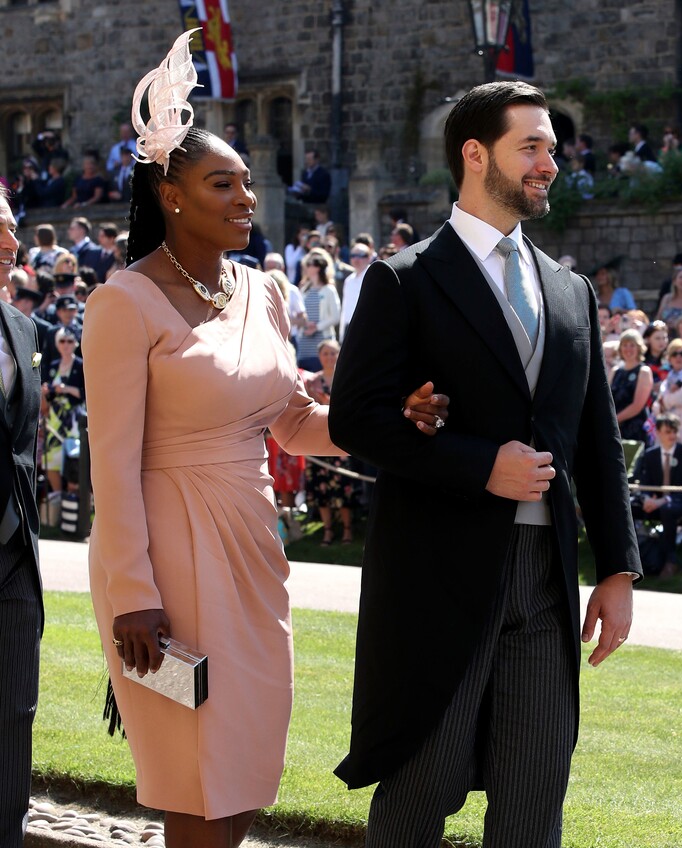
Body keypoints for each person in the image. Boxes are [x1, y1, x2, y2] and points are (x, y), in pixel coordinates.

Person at [80, 31, 449, 848]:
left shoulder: (265, 290)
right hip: (165, 565)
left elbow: (292, 423)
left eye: (249, 184)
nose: (246, 198)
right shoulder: (123, 304)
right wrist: (133, 592)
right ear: (172, 196)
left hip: (253, 546)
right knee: (198, 782)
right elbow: (110, 466)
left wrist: (389, 421)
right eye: (224, 184)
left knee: (247, 770)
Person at [328, 80, 640, 848]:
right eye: (531, 146)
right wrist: (478, 466)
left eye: (553, 149)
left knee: (536, 793)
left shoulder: (570, 291)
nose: (549, 164)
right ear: (476, 155)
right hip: (439, 574)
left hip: (545, 576)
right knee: (420, 786)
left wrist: (618, 570)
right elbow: (355, 419)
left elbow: (596, 436)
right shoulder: (402, 279)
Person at [0, 187, 43, 848]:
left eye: (11, 233)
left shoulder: (26, 329)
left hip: (14, 557)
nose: (11, 247)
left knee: (13, 713)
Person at [631, 411, 682, 578]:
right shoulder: (650, 455)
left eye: (675, 431)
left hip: (680, 504)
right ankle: (633, 558)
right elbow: (643, 482)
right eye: (668, 431)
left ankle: (670, 561)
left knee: (668, 509)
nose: (672, 435)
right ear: (658, 432)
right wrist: (645, 498)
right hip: (654, 503)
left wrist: (663, 500)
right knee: (628, 507)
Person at [304, 340, 359, 545]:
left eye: (333, 353)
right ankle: (327, 530)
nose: (329, 357)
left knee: (343, 488)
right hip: (317, 439)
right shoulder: (312, 381)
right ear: (319, 356)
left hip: (340, 440)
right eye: (325, 353)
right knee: (320, 489)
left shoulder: (346, 378)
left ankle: (347, 529)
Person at [40, 327, 85, 496]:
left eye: (70, 341)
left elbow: (85, 393)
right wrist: (45, 392)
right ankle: (57, 498)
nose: (66, 345)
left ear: (76, 343)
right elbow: (46, 391)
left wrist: (66, 389)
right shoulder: (52, 366)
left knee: (73, 458)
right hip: (54, 418)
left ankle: (72, 498)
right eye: (62, 341)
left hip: (73, 419)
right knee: (52, 459)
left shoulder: (81, 365)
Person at [609, 329, 653, 443]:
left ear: (639, 348)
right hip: (615, 429)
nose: (628, 349)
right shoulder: (615, 371)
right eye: (625, 345)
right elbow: (607, 399)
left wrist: (615, 420)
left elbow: (637, 405)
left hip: (635, 428)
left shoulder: (644, 371)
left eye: (632, 345)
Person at [655, 338, 682, 449]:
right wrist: (663, 401)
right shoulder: (668, 378)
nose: (679, 357)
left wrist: (664, 400)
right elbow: (656, 406)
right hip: (668, 434)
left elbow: (679, 399)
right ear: (669, 359)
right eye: (674, 354)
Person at [339, 241, 372, 342]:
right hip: (349, 327)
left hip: (367, 326)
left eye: (361, 255)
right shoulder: (348, 280)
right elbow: (345, 308)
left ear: (369, 257)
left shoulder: (373, 276)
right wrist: (341, 334)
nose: (356, 259)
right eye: (353, 255)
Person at [655, 266, 682, 336]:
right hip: (665, 337)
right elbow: (658, 319)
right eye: (681, 277)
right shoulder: (666, 298)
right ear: (674, 281)